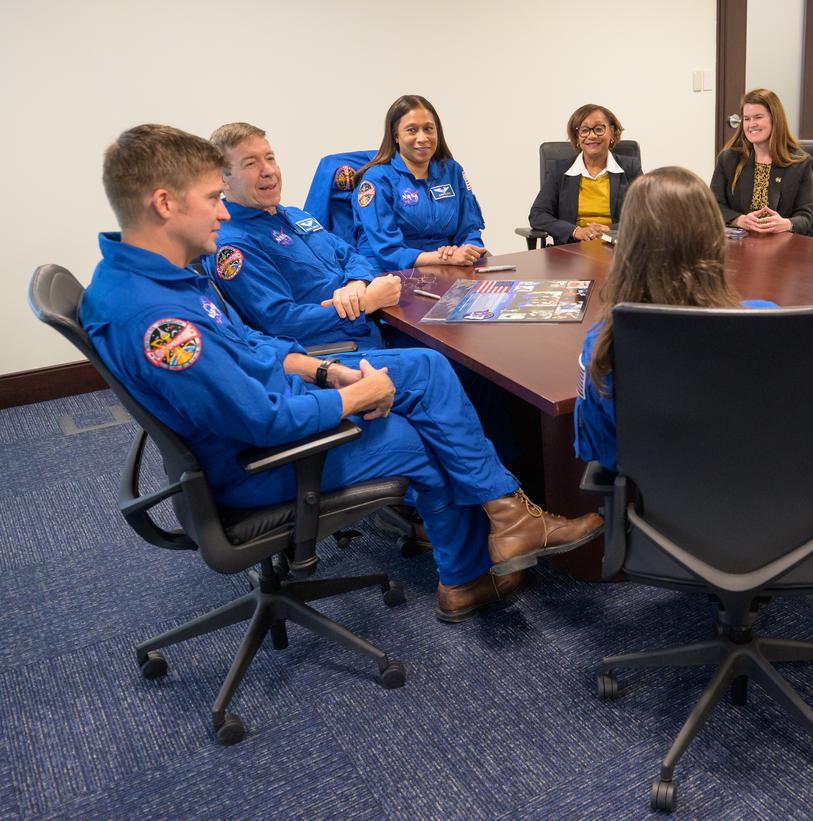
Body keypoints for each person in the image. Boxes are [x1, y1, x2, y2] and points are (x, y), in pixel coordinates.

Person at [83, 124, 601, 624]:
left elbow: (249, 342)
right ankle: (467, 577)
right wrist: (354, 399)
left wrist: (326, 371)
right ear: (164, 204)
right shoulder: (160, 321)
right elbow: (263, 422)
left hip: (280, 397)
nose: (222, 212)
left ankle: (507, 516)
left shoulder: (148, 278)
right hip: (257, 464)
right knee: (421, 434)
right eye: (212, 197)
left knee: (426, 365)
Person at [575, 166, 775, 470]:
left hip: (655, 509)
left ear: (627, 246)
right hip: (769, 500)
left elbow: (593, 446)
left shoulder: (605, 341)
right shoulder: (769, 321)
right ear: (715, 241)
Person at [205, 122, 400, 350]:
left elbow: (350, 254)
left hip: (371, 329)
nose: (268, 170)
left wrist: (356, 283)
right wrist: (366, 303)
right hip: (334, 351)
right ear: (222, 179)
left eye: (269, 158)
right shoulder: (233, 245)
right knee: (432, 365)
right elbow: (281, 321)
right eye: (250, 163)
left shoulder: (293, 215)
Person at [352, 95, 486, 271]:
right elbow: (388, 251)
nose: (422, 138)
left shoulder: (452, 171)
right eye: (412, 130)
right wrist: (444, 257)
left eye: (428, 129)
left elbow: (470, 229)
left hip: (449, 268)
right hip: (392, 275)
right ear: (396, 136)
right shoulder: (377, 179)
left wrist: (466, 250)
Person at [528, 104, 643, 244]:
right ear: (577, 137)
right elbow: (538, 215)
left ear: (612, 132)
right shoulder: (560, 170)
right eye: (584, 130)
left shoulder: (630, 168)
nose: (592, 135)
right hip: (572, 250)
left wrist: (609, 230)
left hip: (616, 248)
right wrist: (576, 231)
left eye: (599, 129)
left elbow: (645, 215)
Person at [709, 89, 813, 237]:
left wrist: (786, 224)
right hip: (742, 243)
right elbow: (713, 206)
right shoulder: (728, 159)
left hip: (784, 244)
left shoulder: (799, 163)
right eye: (746, 119)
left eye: (758, 117)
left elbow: (807, 217)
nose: (751, 124)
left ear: (775, 119)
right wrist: (740, 220)